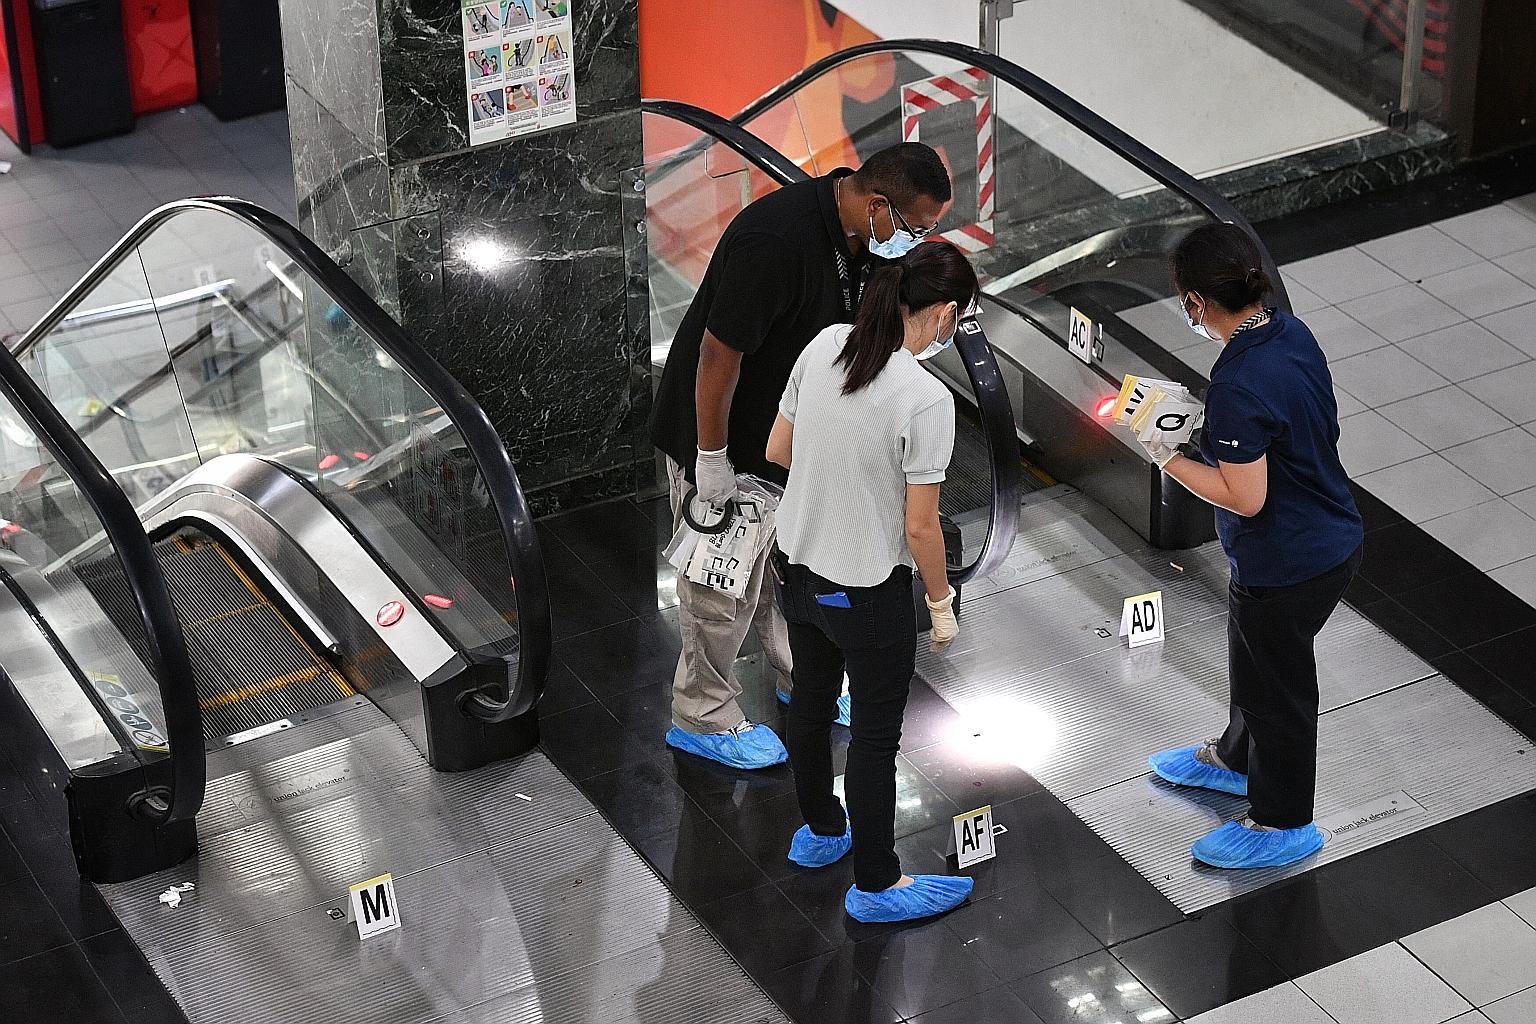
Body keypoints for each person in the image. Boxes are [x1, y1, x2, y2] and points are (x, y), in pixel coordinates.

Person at [650, 143, 952, 770]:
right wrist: (712, 457)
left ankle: (800, 677)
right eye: (915, 227)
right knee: (721, 583)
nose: (916, 242)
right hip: (725, 433)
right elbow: (717, 355)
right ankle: (701, 712)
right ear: (878, 206)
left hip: (790, 434)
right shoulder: (776, 240)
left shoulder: (867, 243)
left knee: (788, 565)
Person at [1141, 223, 1364, 870]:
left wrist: (1166, 456)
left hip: (1289, 563)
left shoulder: (1238, 384)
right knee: (1252, 665)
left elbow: (1245, 498)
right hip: (1322, 531)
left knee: (1278, 693)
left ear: (1196, 301)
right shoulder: (1289, 332)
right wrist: (1208, 429)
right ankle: (1236, 759)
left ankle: (1282, 821)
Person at [765, 240, 974, 923]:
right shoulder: (925, 397)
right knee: (875, 737)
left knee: (811, 700)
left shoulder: (826, 343)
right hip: (866, 593)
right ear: (945, 314)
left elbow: (778, 450)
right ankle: (879, 884)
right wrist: (940, 603)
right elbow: (921, 527)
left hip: (797, 569)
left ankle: (823, 829)